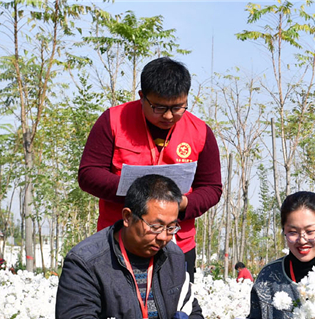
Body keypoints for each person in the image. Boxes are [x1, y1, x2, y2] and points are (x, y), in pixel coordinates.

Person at [78, 57, 222, 282]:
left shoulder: (201, 132)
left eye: (177, 107)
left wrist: (183, 204)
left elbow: (212, 188)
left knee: (177, 313)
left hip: (177, 244)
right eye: (159, 107)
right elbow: (88, 174)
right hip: (118, 241)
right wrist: (138, 193)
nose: (167, 116)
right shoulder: (113, 121)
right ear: (141, 96)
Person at [56, 174, 205, 319]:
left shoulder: (173, 256)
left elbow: (190, 306)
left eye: (171, 228)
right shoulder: (86, 261)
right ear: (127, 217)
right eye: (155, 226)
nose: (163, 237)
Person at [248, 191, 315, 319]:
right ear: (284, 231)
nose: (302, 240)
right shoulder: (268, 277)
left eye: (310, 232)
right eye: (293, 232)